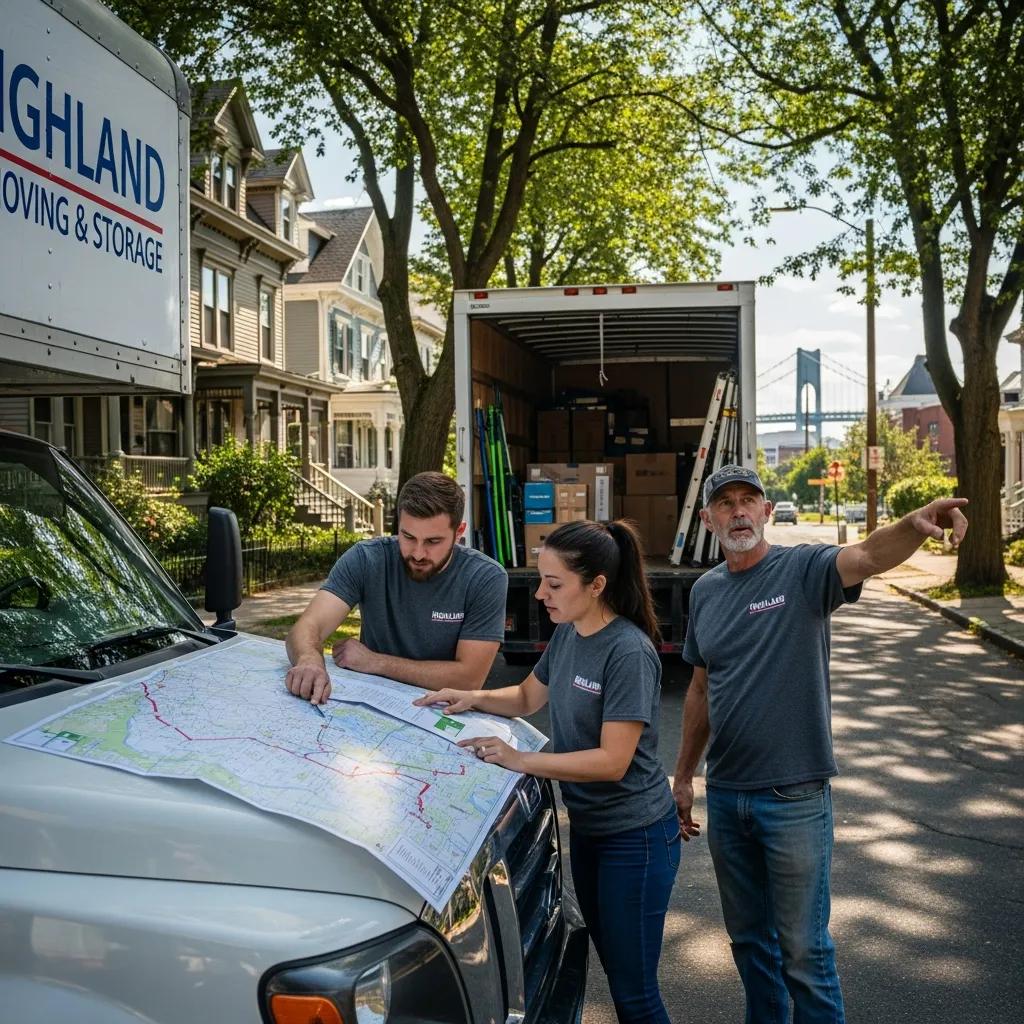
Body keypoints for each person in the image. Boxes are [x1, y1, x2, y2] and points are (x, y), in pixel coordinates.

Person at [673, 464, 969, 1024]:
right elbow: (701, 687)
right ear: (709, 519)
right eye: (725, 503)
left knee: (805, 951)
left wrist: (913, 522)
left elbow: (867, 555)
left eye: (748, 501)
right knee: (748, 945)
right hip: (729, 794)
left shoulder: (802, 570)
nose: (738, 511)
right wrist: (684, 776)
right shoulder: (706, 591)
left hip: (795, 797)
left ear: (766, 511)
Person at [416, 520, 680, 1024]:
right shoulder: (568, 634)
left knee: (635, 994)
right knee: (615, 967)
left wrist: (519, 760)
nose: (540, 594)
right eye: (542, 580)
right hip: (590, 832)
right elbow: (525, 697)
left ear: (596, 584)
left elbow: (612, 760)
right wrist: (470, 697)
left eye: (555, 585)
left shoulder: (628, 652)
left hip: (637, 839)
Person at [284, 471, 508, 703]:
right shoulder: (366, 559)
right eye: (408, 536)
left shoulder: (485, 578)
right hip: (372, 702)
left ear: (458, 533)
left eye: (433, 541)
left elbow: (469, 679)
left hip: (442, 709)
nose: (418, 553)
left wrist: (375, 662)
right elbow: (308, 626)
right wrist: (309, 661)